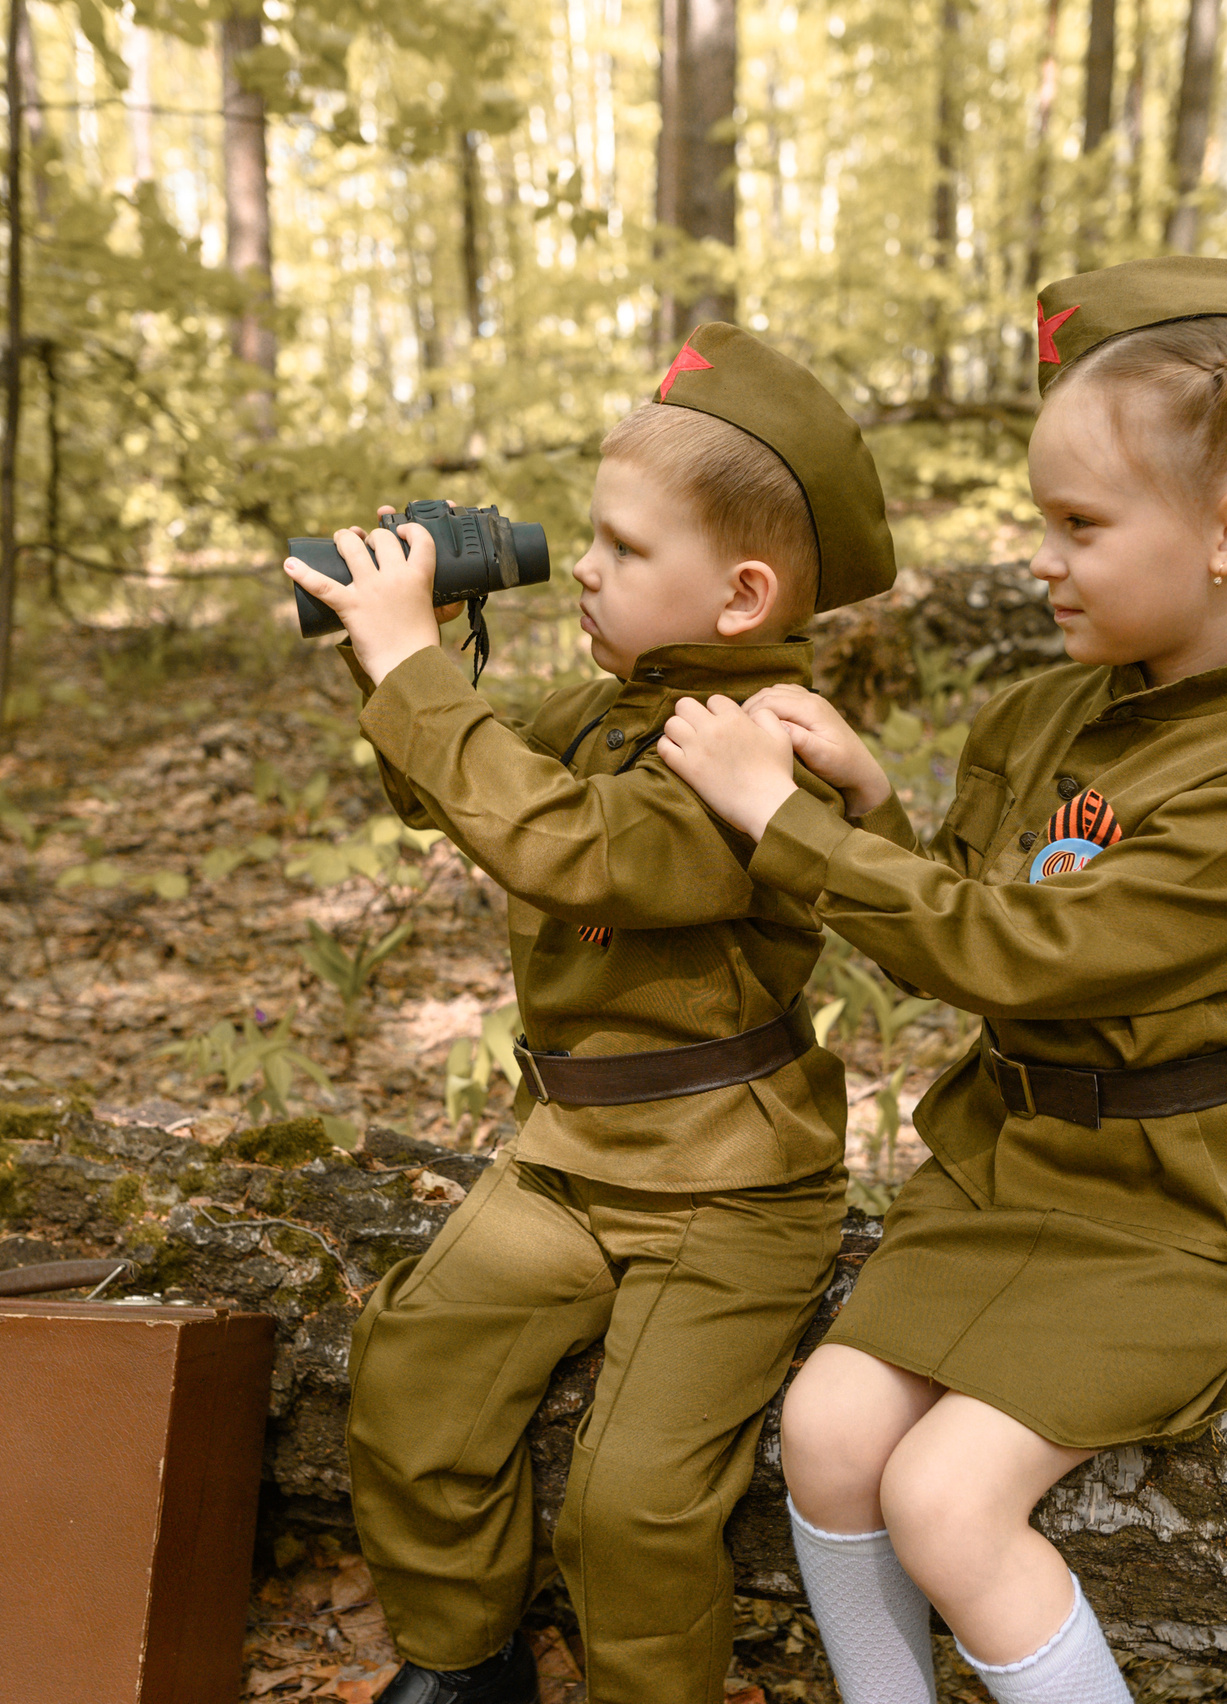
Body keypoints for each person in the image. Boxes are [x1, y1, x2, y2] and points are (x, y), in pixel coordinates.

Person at [654, 258, 1227, 1704]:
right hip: (1013, 1170)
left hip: (1166, 1210)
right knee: (824, 1427)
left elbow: (1019, 957)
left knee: (947, 1498)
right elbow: (976, 895)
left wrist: (785, 827)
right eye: (1039, 520)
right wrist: (870, 806)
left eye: (1080, 525)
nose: (1042, 560)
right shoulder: (1048, 705)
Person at [281, 324, 904, 1704]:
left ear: (741, 595)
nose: (587, 565)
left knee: (631, 1509)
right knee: (410, 1373)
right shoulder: (606, 708)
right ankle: (464, 1664)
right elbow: (446, 784)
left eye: (625, 548)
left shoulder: (765, 742)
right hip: (571, 1157)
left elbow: (580, 850)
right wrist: (397, 647)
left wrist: (413, 674)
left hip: (728, 1192)